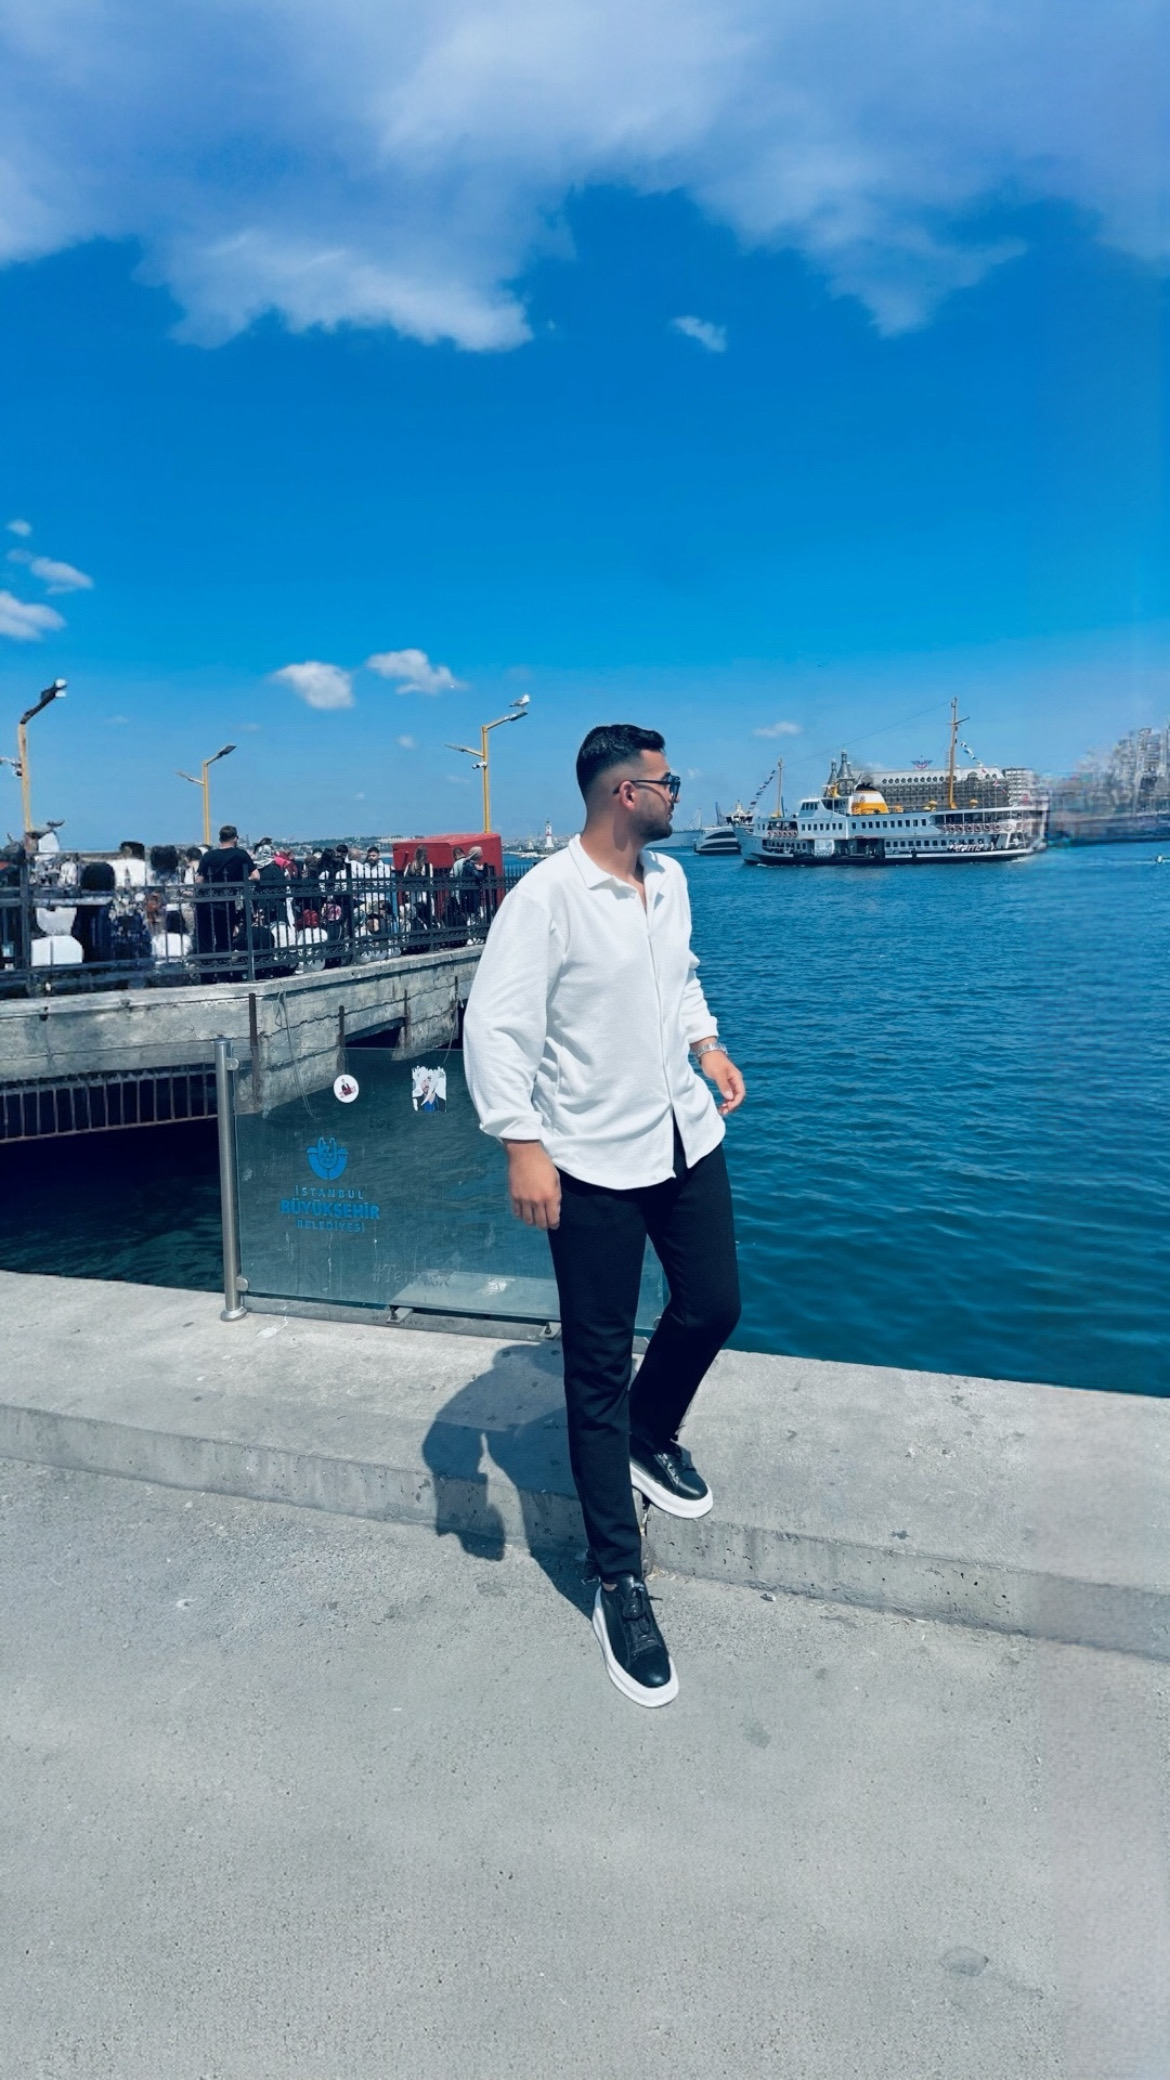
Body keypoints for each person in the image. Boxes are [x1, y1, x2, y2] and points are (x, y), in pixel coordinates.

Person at [462, 723, 745, 1708]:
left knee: (714, 1305)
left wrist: (707, 1045)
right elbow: (495, 1025)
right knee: (594, 1370)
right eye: (670, 781)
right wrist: (520, 1142)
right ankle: (618, 1579)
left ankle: (650, 1428)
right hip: (587, 1161)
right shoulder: (546, 897)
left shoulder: (671, 881)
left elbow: (681, 979)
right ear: (628, 792)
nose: (680, 794)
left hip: (682, 1135)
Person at [194, 823, 258, 978]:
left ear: (220, 838)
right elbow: (256, 876)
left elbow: (198, 881)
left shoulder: (208, 856)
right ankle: (223, 973)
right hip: (226, 901)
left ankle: (207, 974)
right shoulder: (240, 854)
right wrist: (238, 881)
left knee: (205, 939)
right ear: (235, 839)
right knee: (224, 938)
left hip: (206, 902)